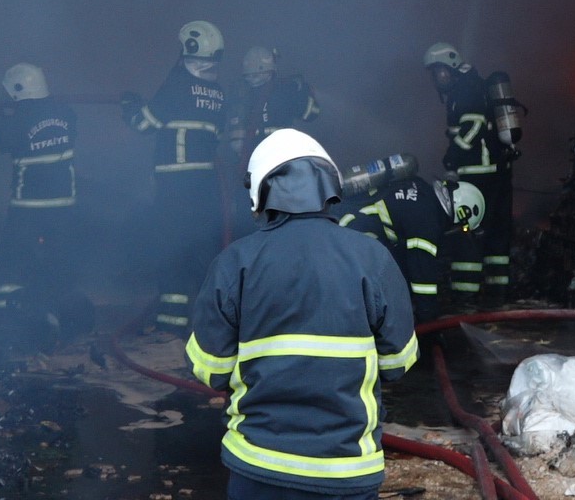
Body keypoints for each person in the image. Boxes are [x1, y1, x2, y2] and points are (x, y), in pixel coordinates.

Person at [186, 129, 418, 499]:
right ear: (328, 188)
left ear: (262, 192)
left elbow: (211, 369)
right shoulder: (372, 258)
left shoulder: (235, 262)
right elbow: (398, 362)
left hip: (260, 467)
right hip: (349, 472)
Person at [0, 62, 91, 349]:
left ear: (17, 91)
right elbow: (37, 122)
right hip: (65, 208)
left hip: (28, 210)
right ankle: (64, 322)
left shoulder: (16, 123)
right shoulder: (66, 115)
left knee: (14, 262)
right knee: (57, 265)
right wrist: (11, 111)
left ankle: (11, 323)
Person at [121, 20, 229, 334]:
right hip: (206, 187)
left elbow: (145, 124)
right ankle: (214, 324)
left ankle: (170, 330)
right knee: (201, 254)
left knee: (171, 253)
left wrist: (130, 108)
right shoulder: (218, 92)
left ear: (190, 47)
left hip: (176, 188)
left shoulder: (177, 83)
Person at [422, 41, 519, 308]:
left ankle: (465, 299)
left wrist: (451, 158)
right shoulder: (474, 85)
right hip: (498, 174)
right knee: (497, 236)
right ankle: (497, 297)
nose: (436, 78)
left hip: (477, 178)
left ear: (452, 66)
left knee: (467, 233)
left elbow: (473, 127)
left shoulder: (464, 90)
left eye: (438, 72)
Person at [338, 176, 485, 322]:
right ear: (461, 212)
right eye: (462, 227)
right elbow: (422, 273)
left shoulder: (421, 190)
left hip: (344, 224)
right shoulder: (427, 219)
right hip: (349, 235)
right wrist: (428, 317)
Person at [225, 46, 321, 238]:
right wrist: (302, 90)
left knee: (249, 223)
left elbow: (232, 140)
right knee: (282, 220)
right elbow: (312, 113)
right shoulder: (285, 89)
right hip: (279, 170)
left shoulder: (240, 94)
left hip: (247, 171)